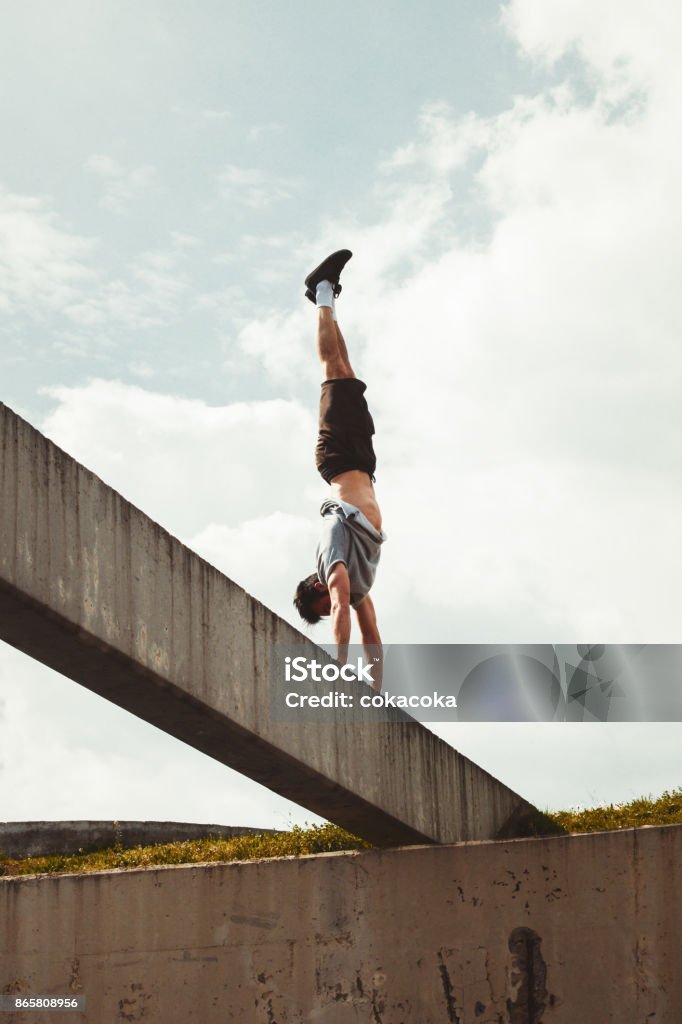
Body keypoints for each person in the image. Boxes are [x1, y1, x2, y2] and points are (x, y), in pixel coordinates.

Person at [293, 250, 385, 691]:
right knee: (345, 373)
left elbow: (345, 611)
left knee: (332, 371)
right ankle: (326, 296)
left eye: (326, 605)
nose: (336, 606)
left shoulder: (331, 550)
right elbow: (373, 635)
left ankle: (321, 292)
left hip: (339, 458)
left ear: (316, 587)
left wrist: (339, 671)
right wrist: (376, 692)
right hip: (361, 462)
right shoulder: (360, 587)